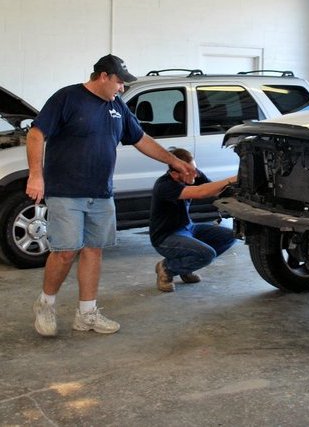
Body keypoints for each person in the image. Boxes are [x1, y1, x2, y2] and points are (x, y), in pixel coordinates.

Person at [26, 54, 196, 337]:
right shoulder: (67, 98)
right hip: (66, 190)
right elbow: (36, 134)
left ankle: (87, 313)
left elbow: (141, 139)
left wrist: (174, 162)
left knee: (94, 249)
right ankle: (46, 303)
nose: (121, 89)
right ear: (103, 76)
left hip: (101, 192)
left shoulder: (117, 106)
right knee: (66, 251)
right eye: (119, 83)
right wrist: (35, 174)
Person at [150, 148, 237, 292]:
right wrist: (231, 179)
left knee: (231, 236)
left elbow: (214, 190)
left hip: (188, 228)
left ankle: (186, 267)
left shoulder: (192, 174)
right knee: (207, 254)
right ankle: (167, 268)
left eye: (194, 169)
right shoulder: (164, 186)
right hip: (166, 237)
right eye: (189, 171)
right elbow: (201, 192)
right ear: (174, 173)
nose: (195, 174)